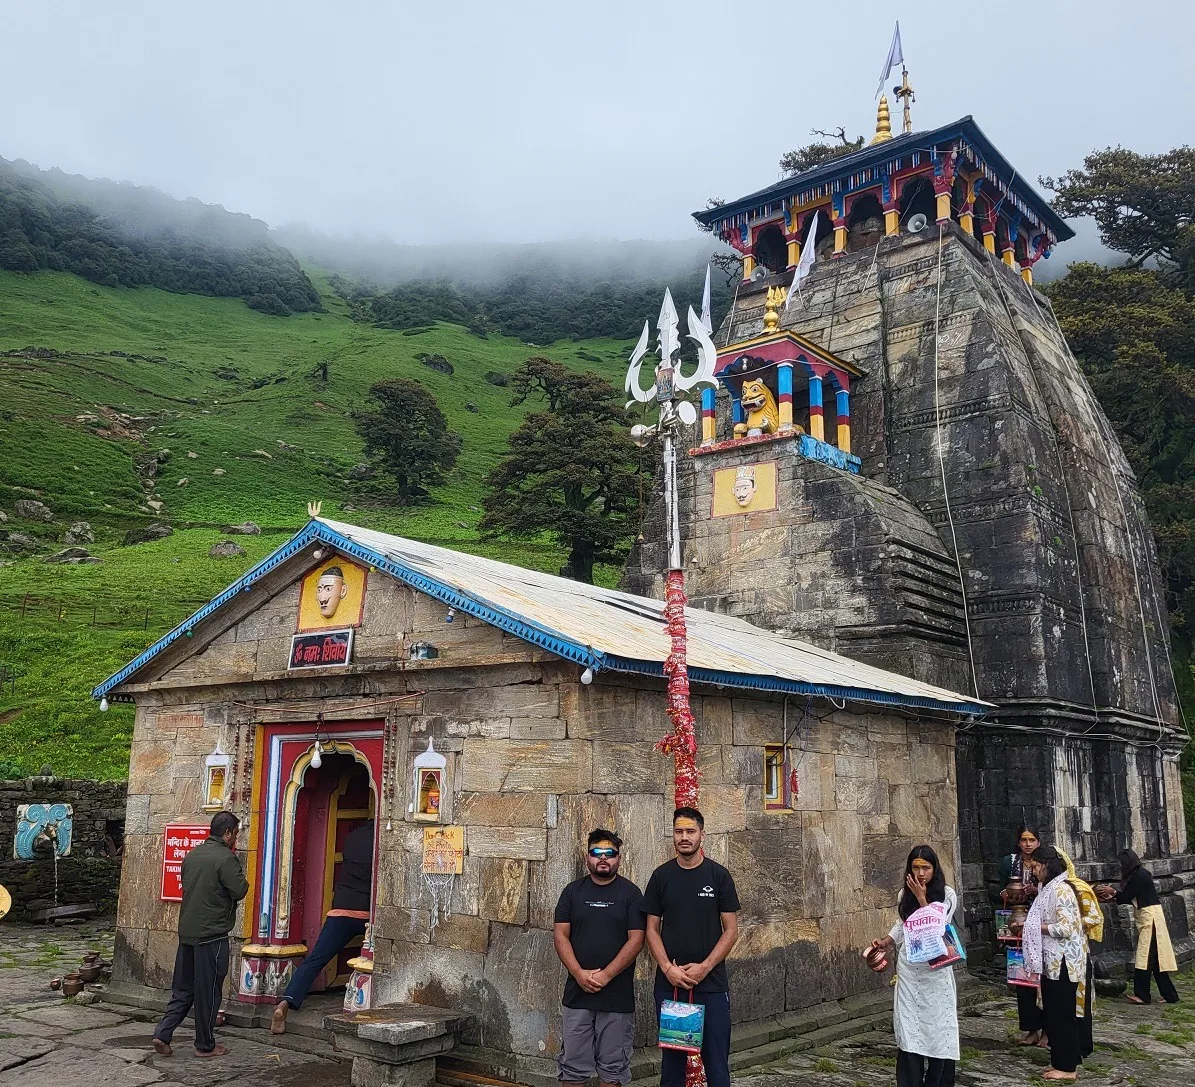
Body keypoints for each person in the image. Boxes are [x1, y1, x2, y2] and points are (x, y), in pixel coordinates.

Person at [643, 807, 739, 1087]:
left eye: (690, 831)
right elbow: (651, 929)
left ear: (702, 835)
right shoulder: (661, 877)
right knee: (672, 1068)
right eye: (679, 831)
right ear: (673, 835)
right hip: (671, 987)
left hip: (711, 986)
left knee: (717, 1066)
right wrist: (667, 968)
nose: (684, 837)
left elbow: (731, 930)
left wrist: (705, 967)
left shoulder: (718, 876)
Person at [552, 829, 646, 1087]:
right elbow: (560, 935)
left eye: (610, 853)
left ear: (619, 858)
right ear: (587, 858)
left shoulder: (631, 894)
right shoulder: (572, 892)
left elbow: (637, 939)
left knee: (613, 1070)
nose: (603, 858)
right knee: (572, 1068)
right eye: (597, 852)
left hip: (616, 998)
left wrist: (605, 975)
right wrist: (579, 973)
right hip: (577, 994)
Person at [153, 811, 248, 1058]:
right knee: (208, 991)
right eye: (236, 833)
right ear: (228, 833)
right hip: (212, 935)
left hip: (188, 933)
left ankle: (163, 1032)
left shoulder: (192, 856)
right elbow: (239, 890)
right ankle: (205, 1045)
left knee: (183, 989)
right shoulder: (225, 858)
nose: (235, 838)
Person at [866, 845, 959, 1087]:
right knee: (909, 1029)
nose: (920, 873)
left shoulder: (947, 895)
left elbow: (937, 927)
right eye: (915, 867)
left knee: (938, 1029)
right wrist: (887, 941)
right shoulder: (903, 894)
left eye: (925, 868)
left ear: (934, 869)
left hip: (935, 970)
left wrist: (921, 897)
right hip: (910, 969)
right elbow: (903, 924)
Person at [272, 818, 376, 1033]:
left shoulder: (352, 837)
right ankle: (350, 1018)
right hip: (368, 913)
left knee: (314, 961)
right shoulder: (381, 839)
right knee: (368, 963)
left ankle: (284, 1004)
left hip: (340, 909)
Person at [1017, 846, 1087, 1082]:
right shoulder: (1048, 889)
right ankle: (1062, 1060)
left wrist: (1036, 927)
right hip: (1053, 960)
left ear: (1047, 864)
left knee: (1062, 1014)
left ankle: (1067, 1067)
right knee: (1054, 1013)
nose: (1034, 871)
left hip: (1064, 960)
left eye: (1036, 866)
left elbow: (1068, 927)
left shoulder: (1062, 890)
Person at [1096, 849, 1179, 1005]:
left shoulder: (1140, 875)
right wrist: (1112, 898)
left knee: (1145, 957)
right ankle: (1169, 994)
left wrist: (1112, 892)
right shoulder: (1139, 874)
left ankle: (1143, 995)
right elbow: (1127, 897)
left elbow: (1126, 895)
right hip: (1148, 916)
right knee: (1154, 959)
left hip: (1151, 918)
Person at [999, 825, 1044, 1047]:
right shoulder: (1009, 863)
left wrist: (1036, 890)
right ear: (1018, 842)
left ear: (1038, 842)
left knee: (1043, 979)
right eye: (1024, 840)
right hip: (1016, 923)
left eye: (1032, 840)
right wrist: (1007, 893)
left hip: (1041, 926)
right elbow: (997, 890)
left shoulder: (1045, 863)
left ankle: (1047, 1029)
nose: (1028, 844)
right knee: (1022, 979)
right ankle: (1031, 1029)